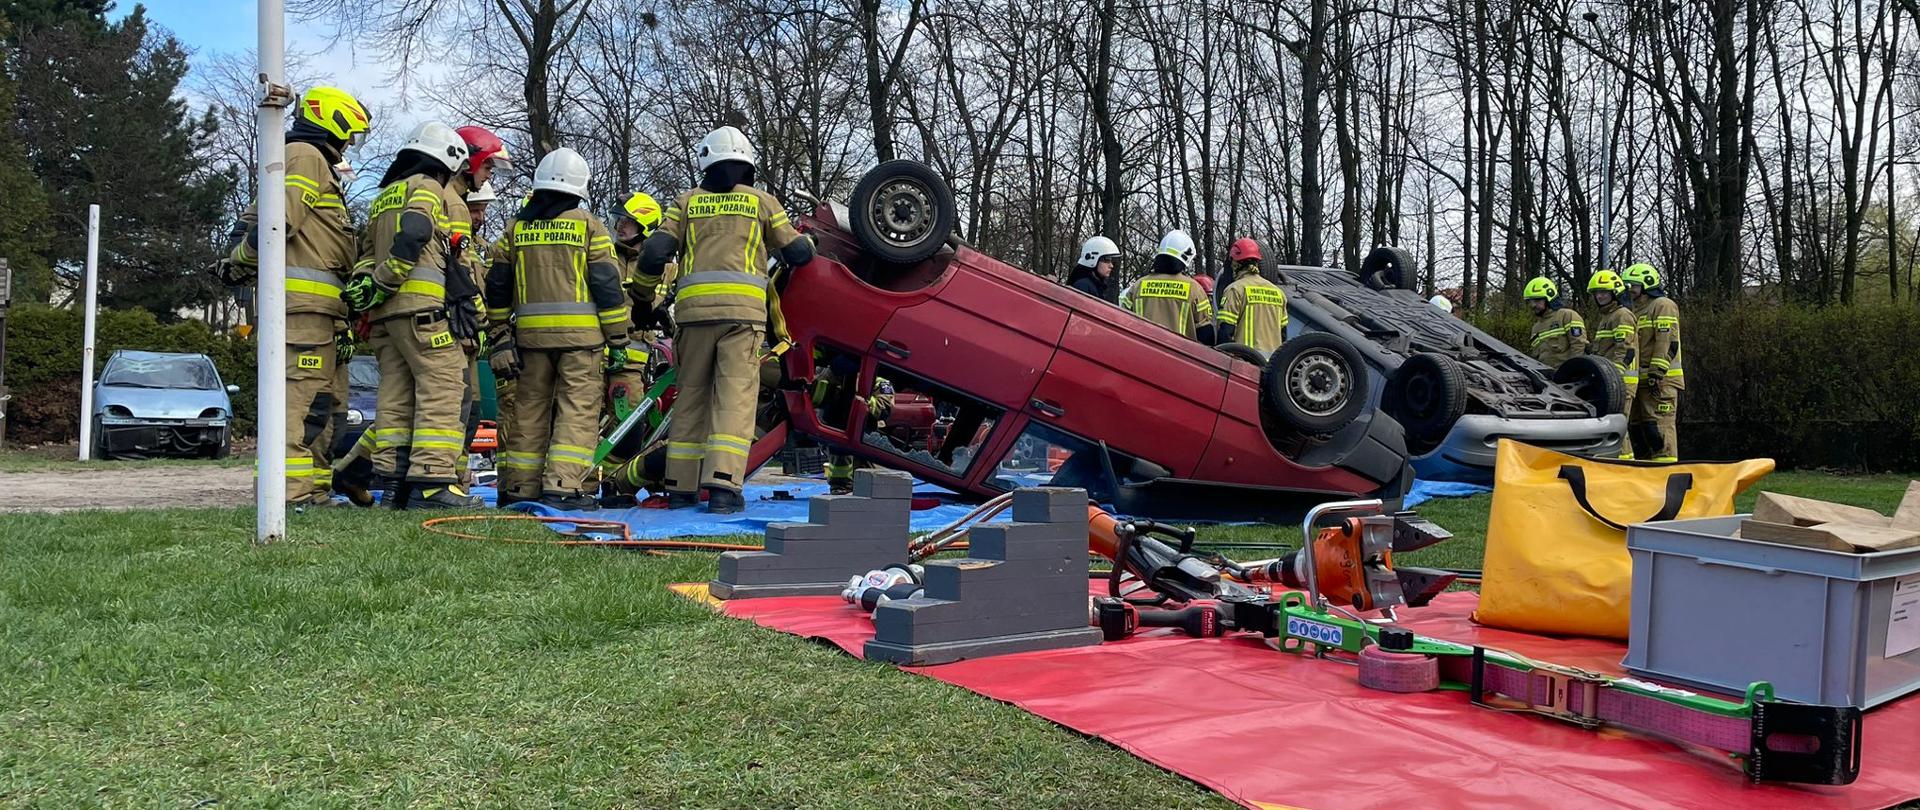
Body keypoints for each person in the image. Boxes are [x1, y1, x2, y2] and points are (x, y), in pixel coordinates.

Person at [633, 125, 815, 514]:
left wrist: (643, 299)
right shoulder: (762, 203)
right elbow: (799, 254)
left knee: (691, 399)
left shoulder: (686, 203)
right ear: (747, 164)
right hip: (742, 320)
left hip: (694, 318)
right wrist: (806, 243)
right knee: (733, 400)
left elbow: (654, 253)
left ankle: (680, 486)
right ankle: (722, 488)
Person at [223, 86, 370, 507]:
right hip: (301, 312)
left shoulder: (304, 159)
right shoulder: (305, 156)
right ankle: (285, 497)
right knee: (298, 407)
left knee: (317, 406)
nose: (348, 145)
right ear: (334, 123)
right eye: (349, 134)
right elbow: (276, 222)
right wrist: (242, 261)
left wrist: (236, 262)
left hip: (316, 314)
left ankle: (307, 492)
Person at [342, 121, 484, 510]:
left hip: (387, 319)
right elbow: (417, 230)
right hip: (425, 312)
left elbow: (367, 254)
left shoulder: (385, 195)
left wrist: (368, 285)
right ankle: (433, 484)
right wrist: (390, 278)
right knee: (443, 391)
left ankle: (394, 487)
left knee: (396, 399)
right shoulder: (428, 187)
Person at [484, 147, 630, 509]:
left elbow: (497, 286)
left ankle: (521, 487)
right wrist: (618, 339)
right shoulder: (587, 225)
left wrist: (501, 333)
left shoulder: (515, 229)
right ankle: (564, 486)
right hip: (582, 341)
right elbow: (607, 286)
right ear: (578, 186)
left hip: (530, 340)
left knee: (529, 410)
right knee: (576, 410)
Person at [1623, 262, 1683, 462]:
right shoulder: (1637, 311)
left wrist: (1657, 372)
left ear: (1647, 284)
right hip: (1643, 381)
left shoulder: (1662, 305)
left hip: (1661, 382)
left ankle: (1666, 474)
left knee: (1659, 430)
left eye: (1634, 285)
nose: (1630, 290)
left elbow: (1667, 341)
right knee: (1642, 432)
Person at [1119, 229, 1214, 344]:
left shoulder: (1138, 286)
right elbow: (1206, 333)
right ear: (1185, 257)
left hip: (1142, 355)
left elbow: (1123, 322)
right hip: (1181, 357)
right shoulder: (1194, 289)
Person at [1585, 269, 1638, 458]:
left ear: (1615, 293)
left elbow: (1625, 350)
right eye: (1597, 292)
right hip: (1610, 382)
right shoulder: (1606, 317)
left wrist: (1614, 379)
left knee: (1618, 428)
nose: (1599, 296)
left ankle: (1626, 467)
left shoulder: (1621, 315)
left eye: (1604, 292)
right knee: (1612, 427)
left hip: (1620, 382)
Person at [1214, 238, 1288, 354]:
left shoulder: (1235, 290)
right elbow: (1283, 335)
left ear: (1236, 264)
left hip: (1245, 363)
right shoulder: (1279, 293)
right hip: (1273, 366)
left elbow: (1226, 332)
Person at [1524, 276, 1586, 368]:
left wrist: (1574, 371)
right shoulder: (1536, 328)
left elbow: (1579, 346)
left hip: (1568, 377)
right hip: (1545, 378)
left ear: (1549, 297)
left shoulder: (1567, 316)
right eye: (1530, 301)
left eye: (1537, 300)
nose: (1533, 305)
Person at [1066, 236, 1119, 303]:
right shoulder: (1082, 286)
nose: (1111, 266)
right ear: (1093, 260)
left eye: (1111, 261)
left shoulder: (1098, 287)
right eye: (1106, 260)